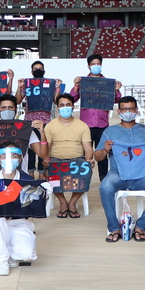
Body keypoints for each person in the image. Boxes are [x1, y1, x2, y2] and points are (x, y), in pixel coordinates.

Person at [0, 142, 53, 276]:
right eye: (5, 156)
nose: (9, 160)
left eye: (14, 156)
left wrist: (45, 195)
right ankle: (1, 259)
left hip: (19, 223)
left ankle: (8, 253)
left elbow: (33, 208)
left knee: (27, 254)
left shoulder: (26, 179)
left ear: (21, 159)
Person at [95, 96, 145, 243]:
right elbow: (98, 156)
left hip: (142, 175)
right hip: (117, 173)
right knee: (105, 187)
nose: (128, 112)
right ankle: (114, 228)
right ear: (119, 111)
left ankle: (141, 226)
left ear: (136, 110)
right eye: (124, 109)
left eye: (131, 109)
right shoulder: (110, 131)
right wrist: (105, 150)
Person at [70, 53, 121, 181]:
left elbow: (116, 100)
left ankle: (104, 181)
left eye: (98, 64)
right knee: (83, 154)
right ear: (88, 66)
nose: (96, 66)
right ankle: (82, 180)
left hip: (102, 124)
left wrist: (116, 90)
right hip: (85, 125)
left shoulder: (108, 83)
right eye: (93, 64)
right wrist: (76, 86)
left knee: (103, 154)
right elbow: (73, 98)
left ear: (101, 65)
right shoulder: (82, 82)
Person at [43, 93, 94, 219]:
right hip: (56, 160)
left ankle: (72, 202)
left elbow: (88, 147)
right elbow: (46, 147)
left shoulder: (82, 125)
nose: (65, 108)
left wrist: (89, 159)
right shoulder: (50, 126)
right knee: (49, 173)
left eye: (68, 105)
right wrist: (45, 159)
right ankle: (62, 202)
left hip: (77, 159)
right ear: (57, 107)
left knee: (86, 171)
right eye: (62, 105)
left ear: (73, 106)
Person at [16, 60, 61, 174]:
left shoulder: (51, 84)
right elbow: (17, 100)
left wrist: (58, 88)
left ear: (44, 71)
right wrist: (19, 86)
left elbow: (56, 101)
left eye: (40, 68)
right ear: (31, 72)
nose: (38, 70)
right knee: (30, 147)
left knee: (44, 145)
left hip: (45, 120)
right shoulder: (26, 84)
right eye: (35, 69)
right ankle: (31, 171)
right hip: (29, 121)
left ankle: (42, 171)